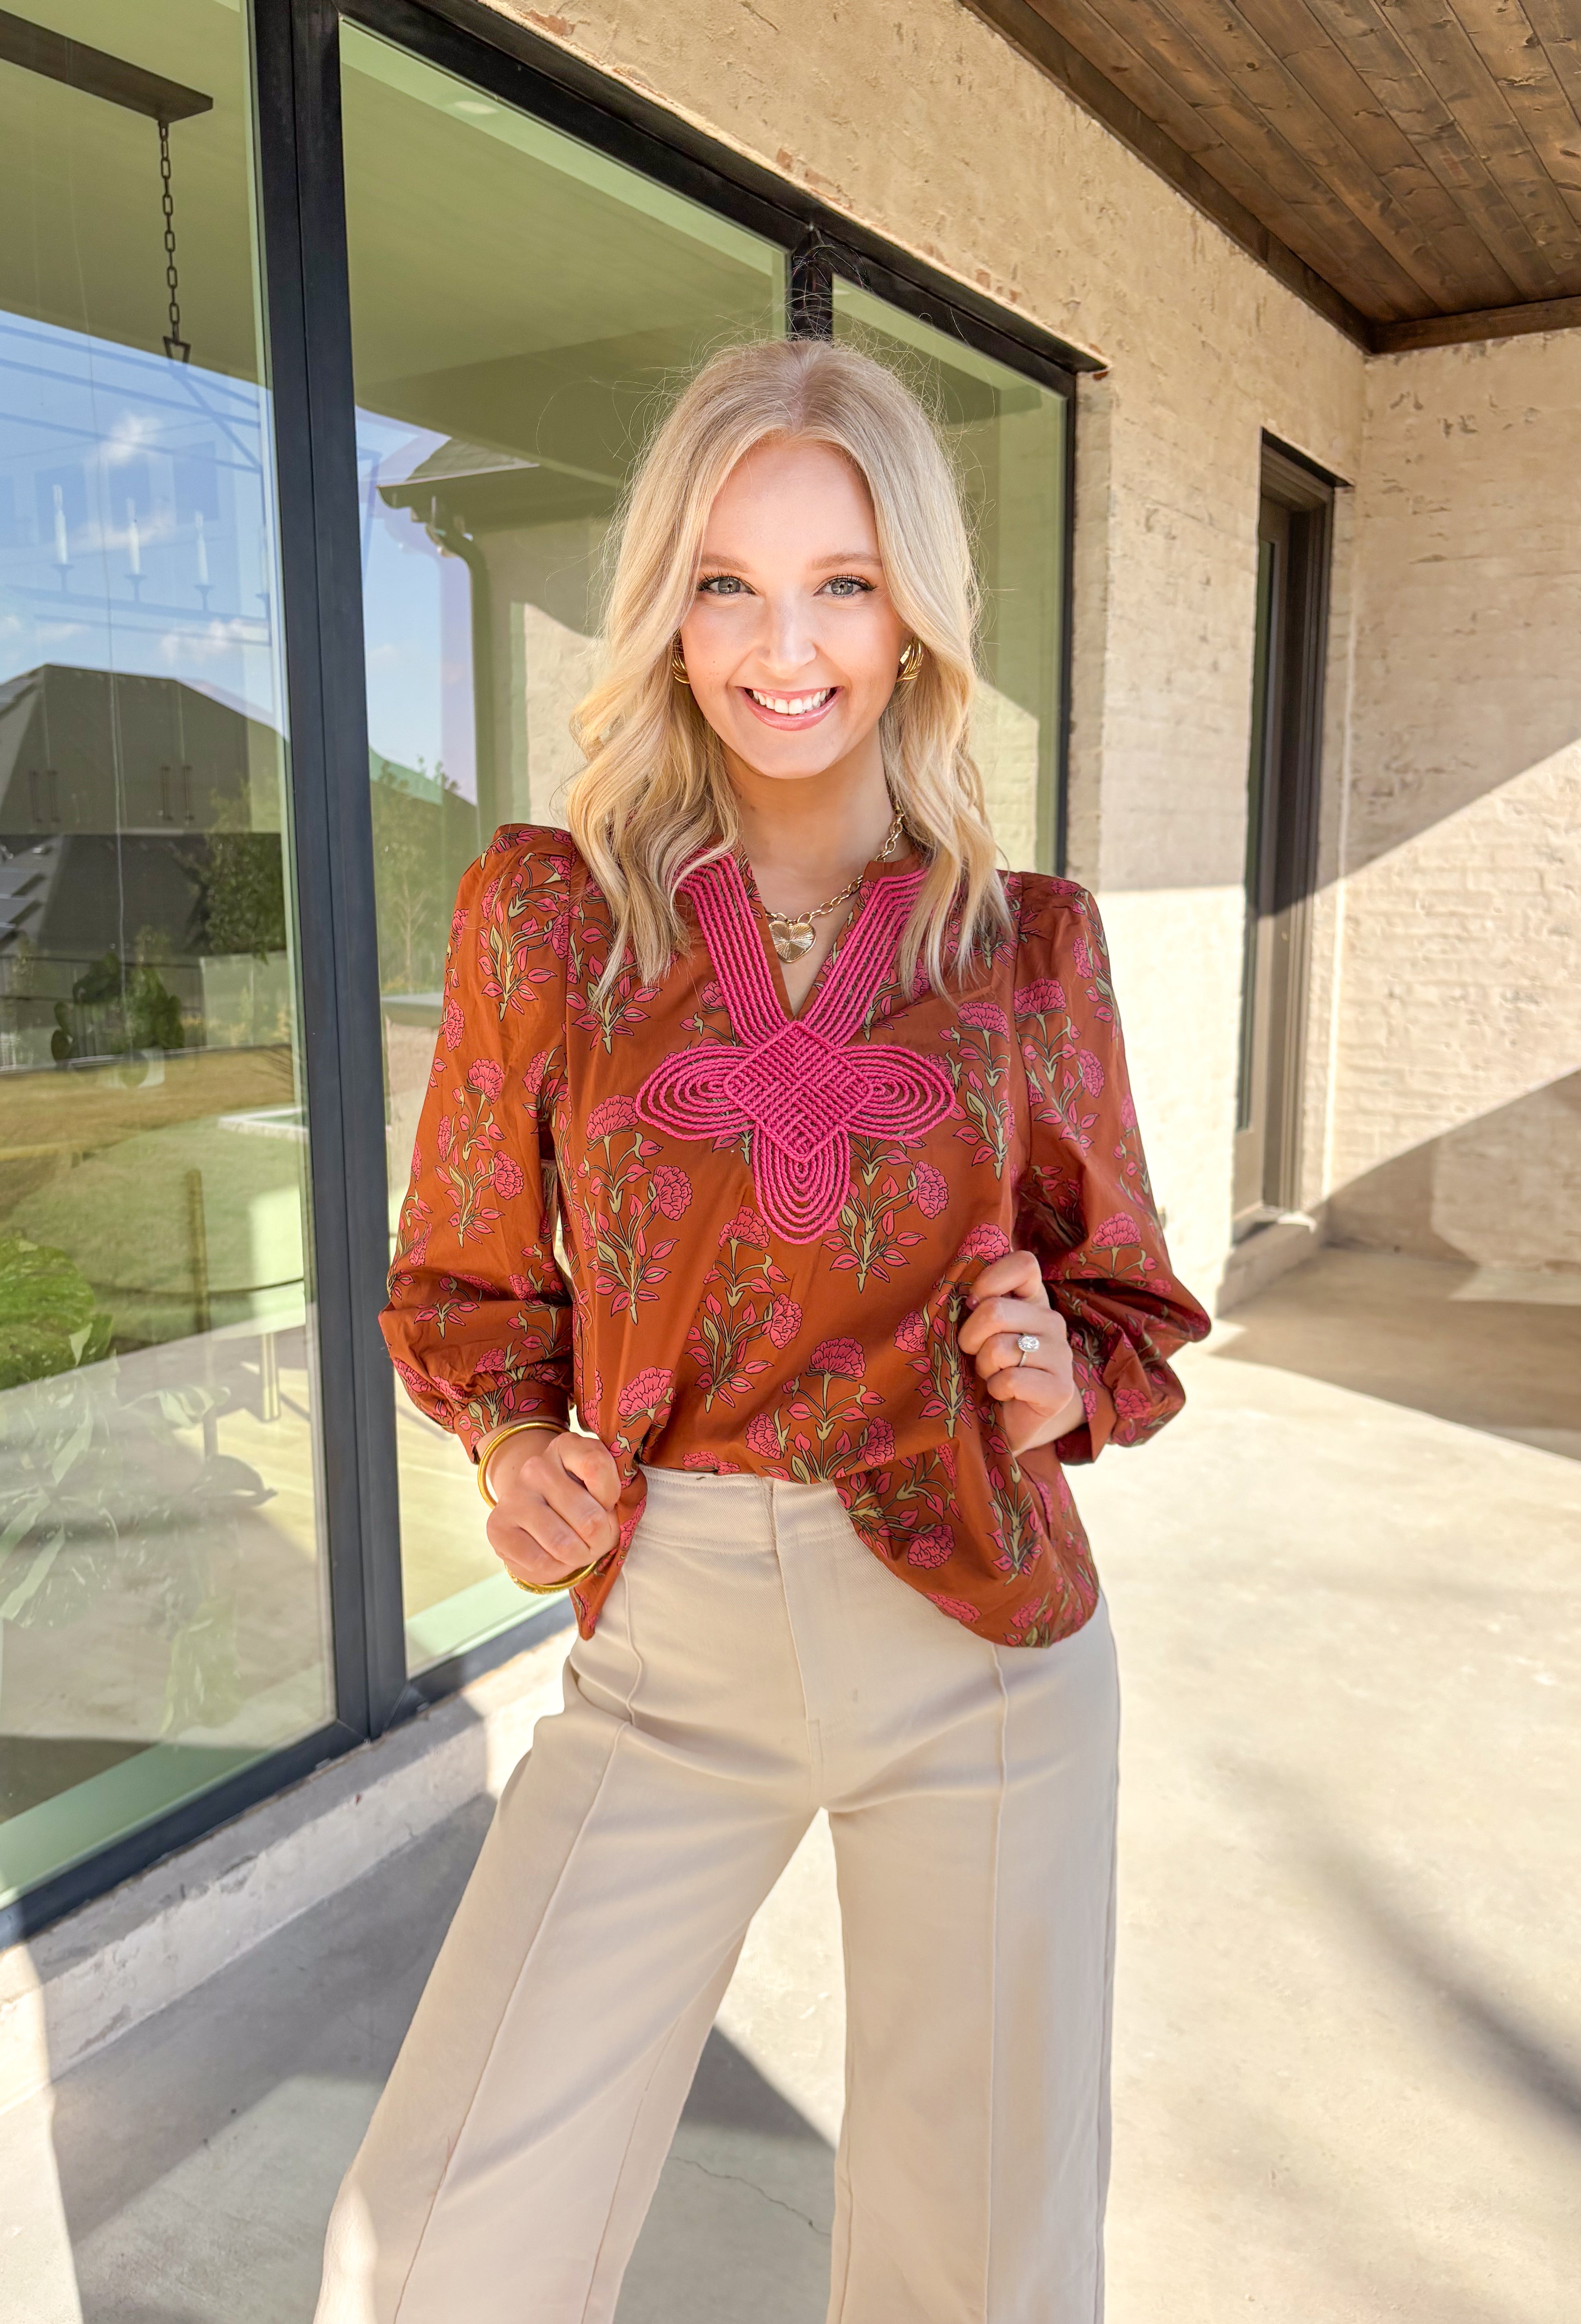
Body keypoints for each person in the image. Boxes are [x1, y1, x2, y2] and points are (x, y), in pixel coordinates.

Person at [315, 336, 1210, 2324]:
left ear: (914, 622)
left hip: (980, 1635)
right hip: (677, 1641)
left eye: (843, 582)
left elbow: (1124, 1287)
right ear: (667, 608)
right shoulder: (550, 919)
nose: (781, 645)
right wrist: (511, 1442)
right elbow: (471, 1277)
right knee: (446, 2237)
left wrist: (1059, 1367)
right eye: (727, 582)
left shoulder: (1026, 944)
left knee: (979, 2272)